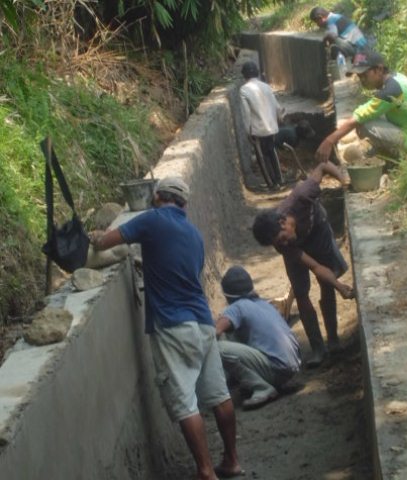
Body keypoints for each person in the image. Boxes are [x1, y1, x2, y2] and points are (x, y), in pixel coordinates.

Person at [90, 176, 242, 480]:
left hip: (173, 325)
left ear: (157, 196)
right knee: (218, 394)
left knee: (185, 401)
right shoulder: (194, 234)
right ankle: (232, 460)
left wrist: (90, 235)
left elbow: (106, 242)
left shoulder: (152, 220)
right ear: (184, 203)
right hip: (203, 323)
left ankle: (206, 471)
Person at [252, 162, 354, 368]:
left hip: (318, 232)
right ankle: (318, 348)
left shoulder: (301, 196)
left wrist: (344, 180)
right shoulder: (284, 245)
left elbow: (324, 166)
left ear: (283, 223)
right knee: (300, 292)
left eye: (282, 238)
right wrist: (341, 287)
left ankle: (333, 340)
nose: (283, 243)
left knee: (327, 284)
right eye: (278, 244)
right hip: (302, 246)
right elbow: (314, 266)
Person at [316, 51, 407, 161]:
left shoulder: (391, 90)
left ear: (379, 69)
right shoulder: (396, 78)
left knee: (365, 124)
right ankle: (386, 151)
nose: (361, 79)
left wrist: (329, 140)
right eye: (359, 76)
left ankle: (401, 156)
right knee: (373, 116)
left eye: (364, 75)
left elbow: (360, 116)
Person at [215, 266, 301, 409]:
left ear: (227, 295)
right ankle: (249, 380)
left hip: (277, 370)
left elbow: (215, 332)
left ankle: (262, 388)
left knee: (217, 348)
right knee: (233, 334)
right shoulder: (265, 304)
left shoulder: (236, 307)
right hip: (292, 366)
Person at [239, 60, 285, 189]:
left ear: (244, 75)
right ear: (257, 73)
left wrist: (248, 132)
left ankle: (272, 184)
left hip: (258, 129)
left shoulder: (244, 90)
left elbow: (246, 114)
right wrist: (279, 119)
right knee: (272, 151)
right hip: (271, 126)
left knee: (262, 156)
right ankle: (280, 179)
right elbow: (276, 106)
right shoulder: (266, 86)